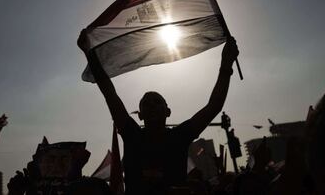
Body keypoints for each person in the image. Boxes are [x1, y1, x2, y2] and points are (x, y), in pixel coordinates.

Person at [78, 29, 239, 194]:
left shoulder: (179, 136)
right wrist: (89, 53)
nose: (151, 106)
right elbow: (109, 94)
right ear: (139, 115)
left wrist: (226, 65)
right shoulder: (132, 135)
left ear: (168, 112)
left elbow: (213, 107)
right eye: (146, 104)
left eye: (157, 102)